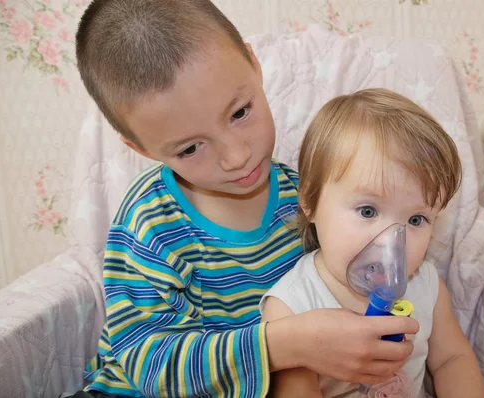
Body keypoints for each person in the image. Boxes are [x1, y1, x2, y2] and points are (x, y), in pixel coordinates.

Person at [72, 1, 418, 396]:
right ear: (142, 148)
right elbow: (150, 365)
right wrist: (287, 343)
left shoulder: (307, 199)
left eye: (239, 112)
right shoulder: (148, 223)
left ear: (255, 65)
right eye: (189, 149)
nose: (236, 156)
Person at [261, 88, 484, 398]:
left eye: (417, 220)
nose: (390, 243)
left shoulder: (427, 286)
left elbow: (452, 359)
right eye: (368, 211)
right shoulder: (292, 306)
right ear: (309, 201)